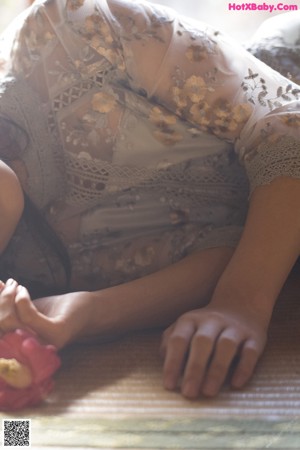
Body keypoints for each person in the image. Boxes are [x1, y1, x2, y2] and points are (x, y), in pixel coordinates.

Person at [0, 0, 299, 400]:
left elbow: (285, 124)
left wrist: (242, 300)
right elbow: (221, 243)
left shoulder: (73, 28)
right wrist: (90, 313)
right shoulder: (23, 269)